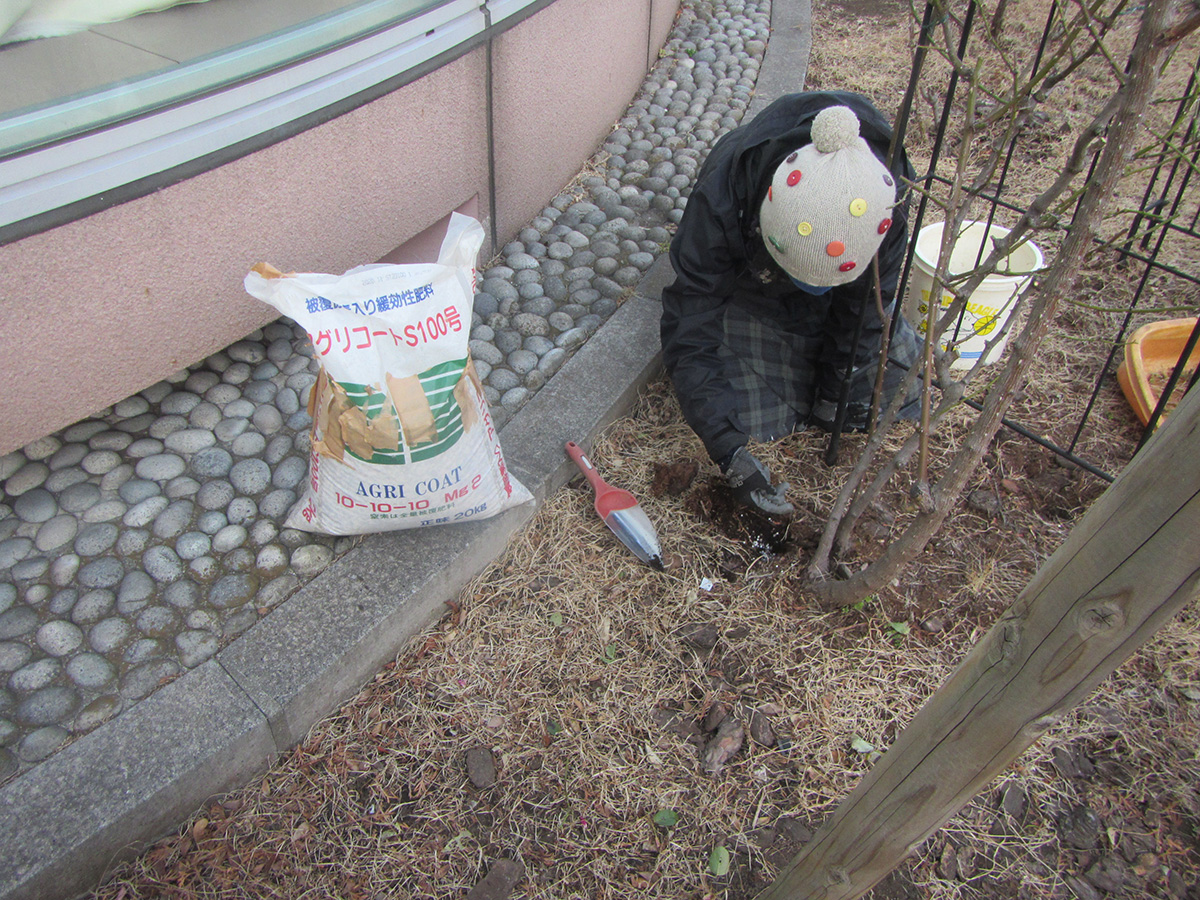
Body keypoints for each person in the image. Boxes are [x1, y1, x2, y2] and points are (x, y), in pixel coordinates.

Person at [660, 90, 922, 517]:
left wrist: (838, 390)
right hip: (756, 291)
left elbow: (866, 311)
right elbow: (691, 319)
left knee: (900, 383)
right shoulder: (727, 190)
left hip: (833, 293)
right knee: (744, 414)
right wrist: (729, 452)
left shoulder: (885, 200)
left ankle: (820, 353)